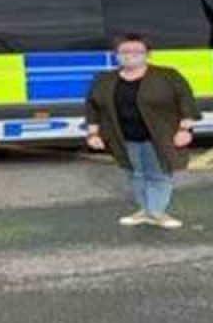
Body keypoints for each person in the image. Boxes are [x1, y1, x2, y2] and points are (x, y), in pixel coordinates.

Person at [85, 34, 201, 229]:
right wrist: (93, 134)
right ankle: (144, 210)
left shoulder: (167, 76)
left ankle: (156, 212)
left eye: (136, 52)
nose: (129, 56)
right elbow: (92, 107)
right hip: (123, 136)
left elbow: (186, 102)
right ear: (117, 55)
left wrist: (184, 129)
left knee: (159, 174)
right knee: (135, 174)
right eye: (124, 52)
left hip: (159, 136)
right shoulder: (104, 79)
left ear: (148, 55)